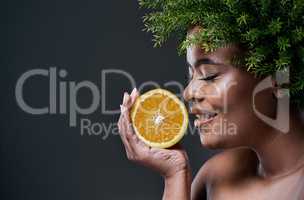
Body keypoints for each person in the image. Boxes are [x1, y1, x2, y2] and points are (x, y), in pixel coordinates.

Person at [118, 1, 304, 199]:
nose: (188, 93)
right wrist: (175, 175)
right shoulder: (215, 178)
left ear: (280, 77)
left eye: (209, 75)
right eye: (191, 76)